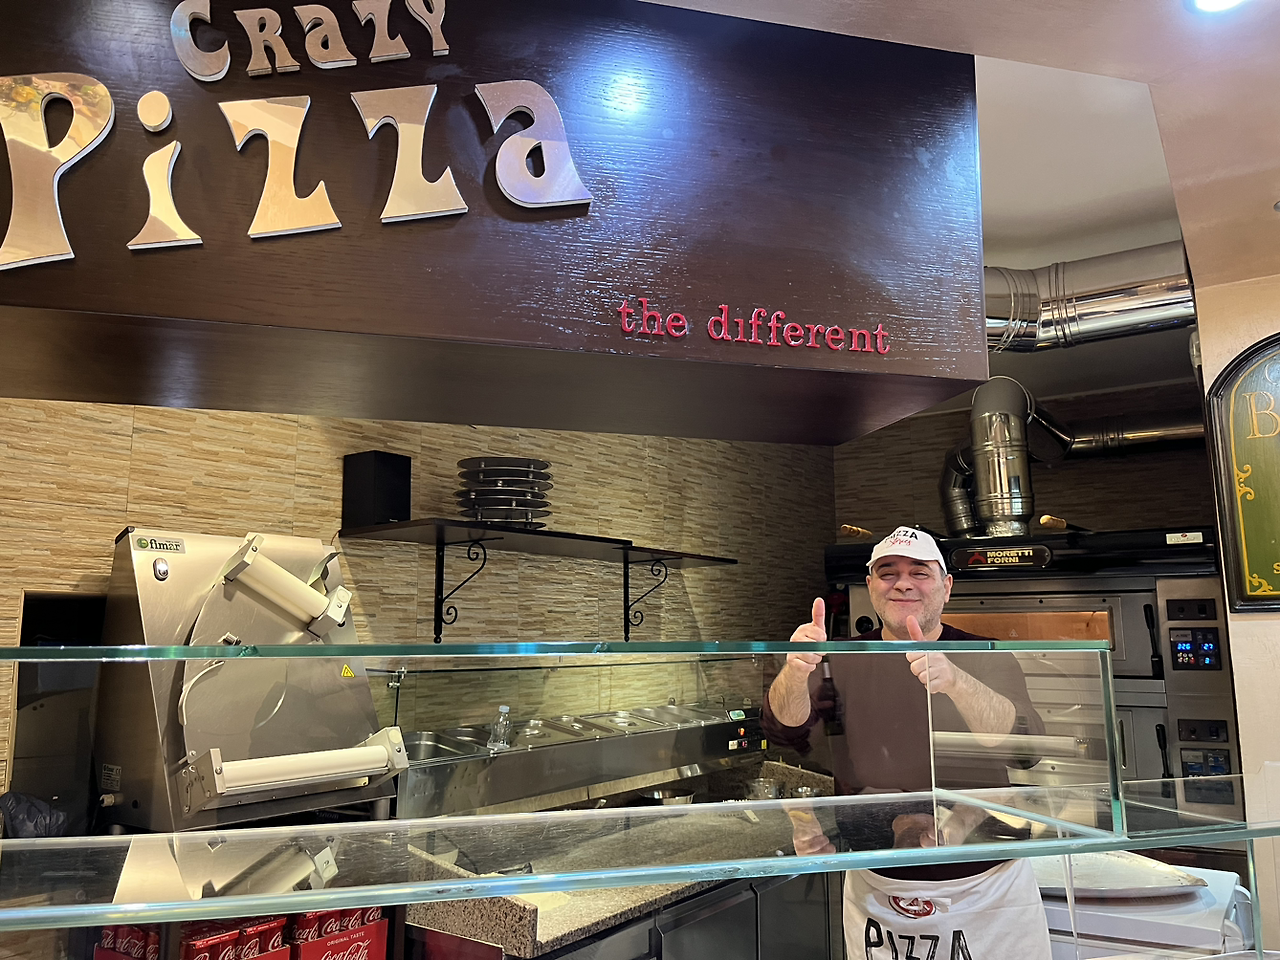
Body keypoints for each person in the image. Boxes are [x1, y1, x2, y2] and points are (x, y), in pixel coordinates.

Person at [763, 525, 1053, 960]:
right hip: (877, 881)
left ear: (946, 587)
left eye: (919, 572)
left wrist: (955, 680)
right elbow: (787, 732)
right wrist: (796, 670)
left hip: (983, 880)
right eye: (888, 573)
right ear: (870, 586)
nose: (902, 583)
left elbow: (1024, 750)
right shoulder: (841, 656)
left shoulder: (984, 654)